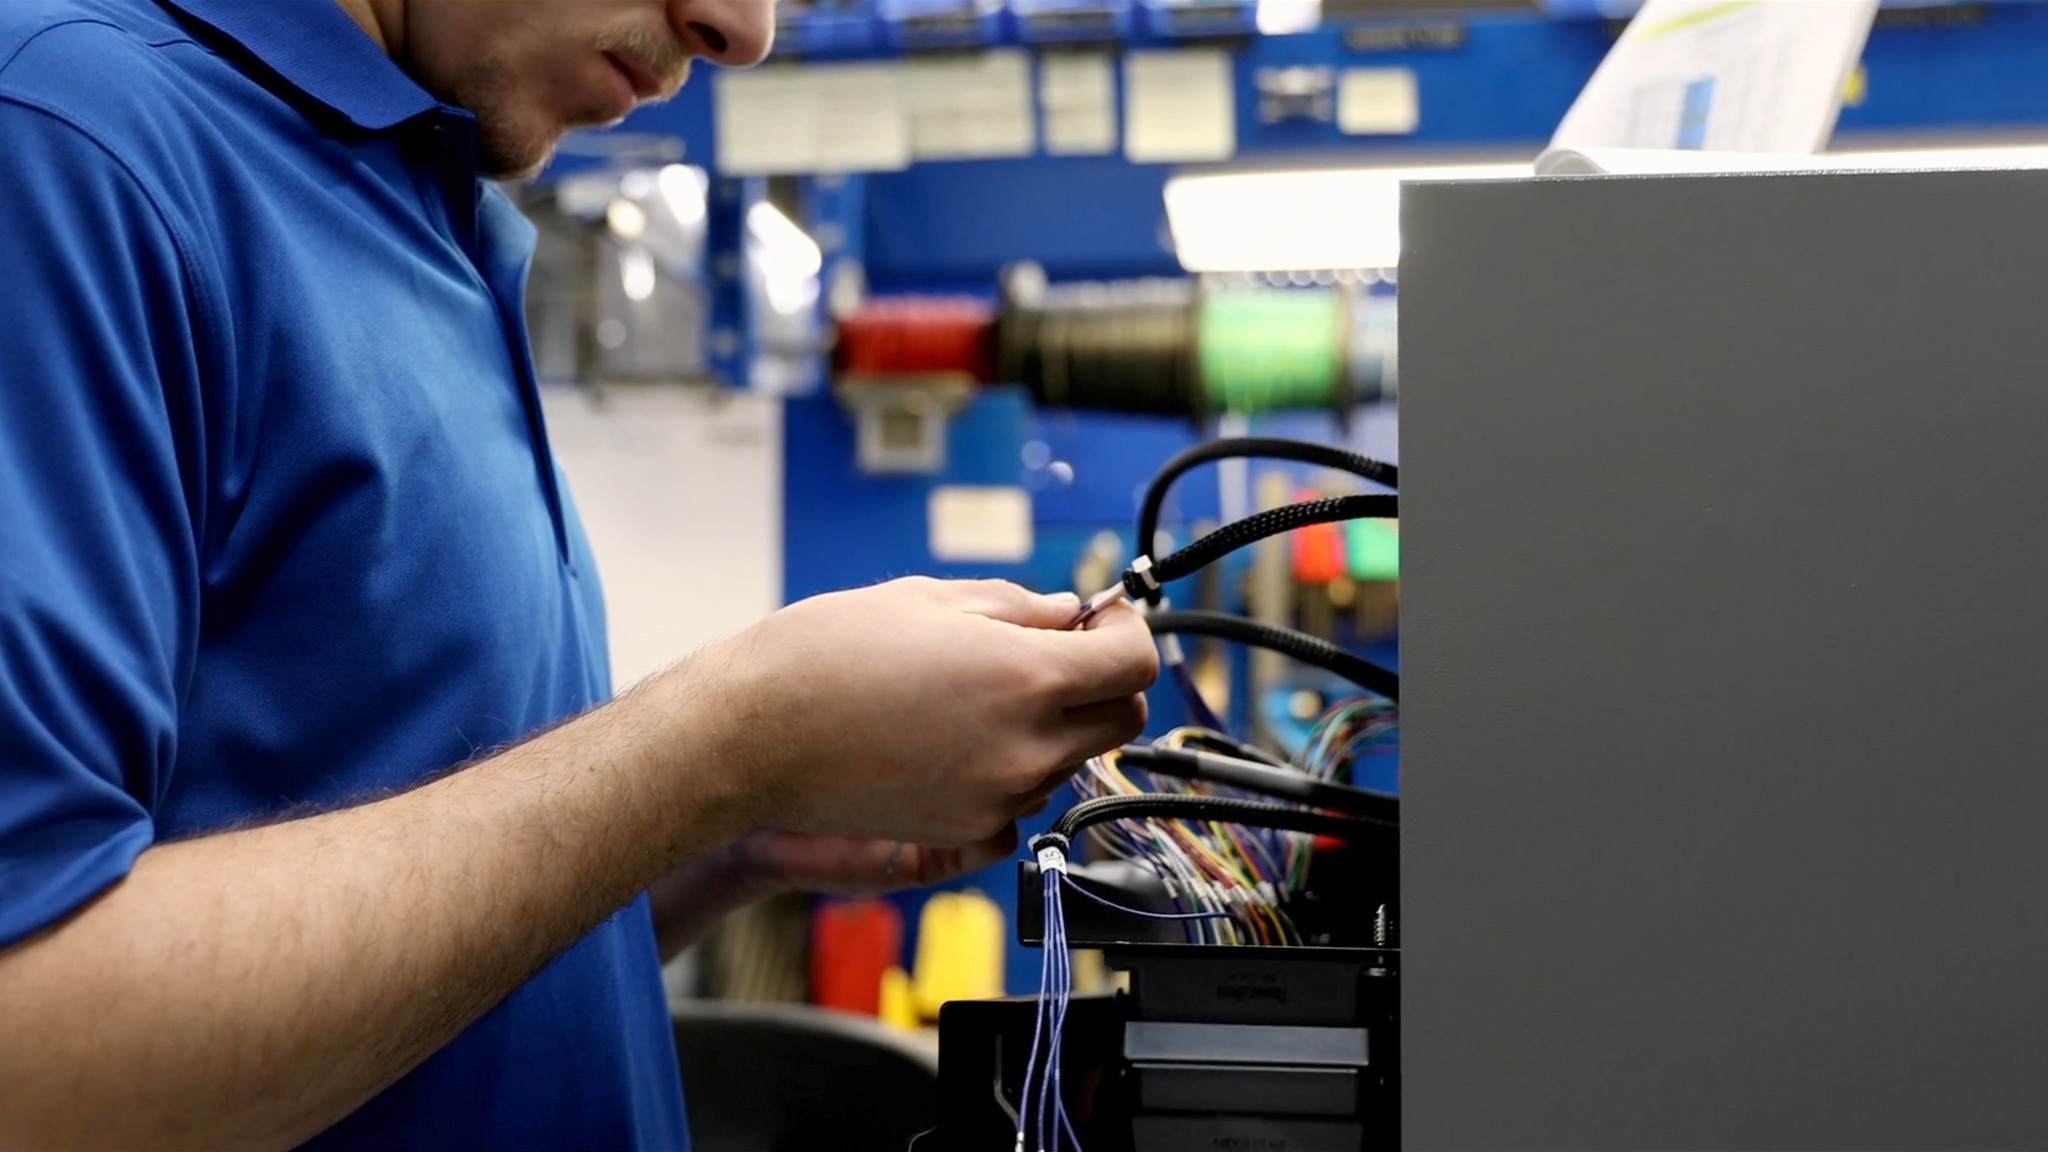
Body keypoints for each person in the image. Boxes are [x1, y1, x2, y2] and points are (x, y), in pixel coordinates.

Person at [0, 1, 1158, 1148]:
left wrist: (724, 833)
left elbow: (418, 963)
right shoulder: (68, 139)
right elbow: (32, 1056)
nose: (739, 29)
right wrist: (717, 749)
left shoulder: (422, 193)